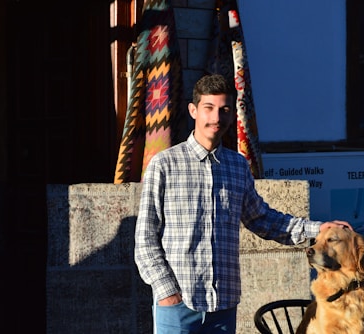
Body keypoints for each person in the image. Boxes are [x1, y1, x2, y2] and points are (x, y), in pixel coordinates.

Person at [134, 73, 352, 334]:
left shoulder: (237, 166)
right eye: (209, 108)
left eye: (224, 110)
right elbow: (145, 238)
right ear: (193, 110)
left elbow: (262, 219)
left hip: (223, 307)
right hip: (178, 308)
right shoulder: (164, 164)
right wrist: (168, 293)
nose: (216, 117)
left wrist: (319, 230)